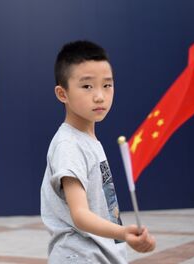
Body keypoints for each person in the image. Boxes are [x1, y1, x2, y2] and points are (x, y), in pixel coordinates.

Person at [40, 40, 156, 263]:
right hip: (80, 256)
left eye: (107, 85)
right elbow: (80, 214)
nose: (100, 96)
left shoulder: (88, 139)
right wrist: (123, 233)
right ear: (62, 94)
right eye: (87, 86)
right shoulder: (68, 145)